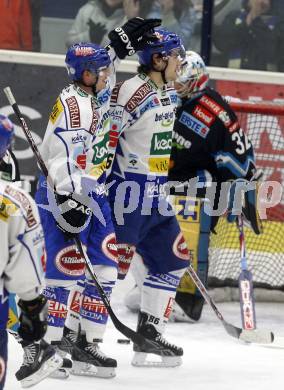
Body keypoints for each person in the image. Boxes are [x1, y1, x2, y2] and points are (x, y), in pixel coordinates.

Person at [35, 17, 161, 378]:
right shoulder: (75, 108)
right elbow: (60, 160)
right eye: (102, 71)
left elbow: (105, 65)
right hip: (65, 197)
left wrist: (118, 45)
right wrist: (71, 196)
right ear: (87, 75)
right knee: (64, 271)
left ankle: (87, 343)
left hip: (96, 192)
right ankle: (52, 344)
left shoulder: (94, 90)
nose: (109, 75)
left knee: (105, 267)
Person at [124, 51, 262, 323]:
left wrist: (242, 190)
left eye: (180, 81)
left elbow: (242, 158)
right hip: (163, 181)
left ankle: (186, 301)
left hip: (197, 191)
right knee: (139, 236)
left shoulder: (215, 112)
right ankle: (156, 286)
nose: (173, 84)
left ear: (196, 81)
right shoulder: (162, 98)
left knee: (182, 242)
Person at [107, 28, 190, 368]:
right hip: (128, 195)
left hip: (156, 193)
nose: (180, 62)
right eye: (174, 56)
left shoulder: (167, 91)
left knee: (173, 259)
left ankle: (149, 334)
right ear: (157, 59)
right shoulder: (131, 91)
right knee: (106, 269)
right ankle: (70, 336)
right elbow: (105, 137)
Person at [0, 114, 63, 389]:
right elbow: (21, 271)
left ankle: (34, 346)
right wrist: (33, 307)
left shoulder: (8, 177)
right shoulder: (15, 198)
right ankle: (35, 344)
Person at [213, 0, 284, 71]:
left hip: (266, 78)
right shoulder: (233, 17)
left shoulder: (279, 23)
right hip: (230, 76)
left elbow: (275, 51)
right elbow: (222, 43)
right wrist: (246, 24)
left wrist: (256, 20)